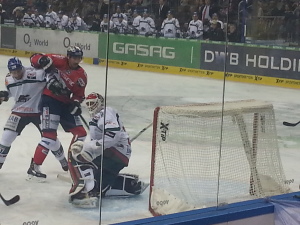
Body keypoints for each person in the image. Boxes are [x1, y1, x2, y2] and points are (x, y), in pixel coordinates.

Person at [68, 92, 149, 208]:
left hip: (115, 152)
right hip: (117, 153)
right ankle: (130, 184)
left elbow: (112, 136)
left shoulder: (105, 112)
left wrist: (91, 147)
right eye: (88, 104)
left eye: (93, 103)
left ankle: (88, 190)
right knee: (99, 185)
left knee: (77, 152)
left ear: (100, 103)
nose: (90, 106)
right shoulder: (98, 117)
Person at [28, 46, 88, 181]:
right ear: (68, 56)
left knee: (81, 133)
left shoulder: (82, 76)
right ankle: (35, 167)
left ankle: (74, 164)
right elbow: (34, 58)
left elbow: (79, 95)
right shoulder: (59, 61)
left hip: (65, 105)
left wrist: (76, 103)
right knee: (49, 137)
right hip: (50, 101)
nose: (76, 60)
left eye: (78, 57)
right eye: (74, 57)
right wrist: (42, 60)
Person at [0, 57, 67, 172]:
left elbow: (50, 75)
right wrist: (4, 95)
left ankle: (63, 162)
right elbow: (15, 92)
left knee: (51, 138)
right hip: (19, 112)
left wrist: (54, 83)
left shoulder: (34, 73)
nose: (16, 74)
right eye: (13, 72)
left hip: (39, 111)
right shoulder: (8, 79)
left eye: (18, 71)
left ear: (22, 68)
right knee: (6, 138)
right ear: (10, 72)